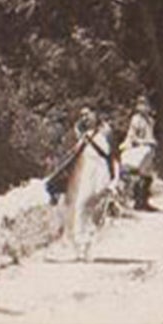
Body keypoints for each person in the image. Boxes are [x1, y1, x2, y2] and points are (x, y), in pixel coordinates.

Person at [62, 109, 118, 262]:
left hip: (101, 173)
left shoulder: (106, 132)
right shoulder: (84, 135)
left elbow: (114, 157)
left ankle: (88, 243)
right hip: (87, 173)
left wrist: (115, 180)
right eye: (82, 115)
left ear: (96, 114)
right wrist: (78, 134)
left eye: (88, 114)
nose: (85, 117)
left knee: (94, 208)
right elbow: (75, 153)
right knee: (81, 206)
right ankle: (82, 246)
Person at [120, 96, 159, 211]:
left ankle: (144, 201)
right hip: (137, 149)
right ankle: (137, 200)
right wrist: (146, 142)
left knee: (148, 176)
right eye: (141, 104)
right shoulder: (136, 119)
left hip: (148, 150)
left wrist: (152, 142)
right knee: (139, 174)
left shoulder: (150, 120)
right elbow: (132, 137)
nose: (144, 107)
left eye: (145, 104)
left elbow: (150, 135)